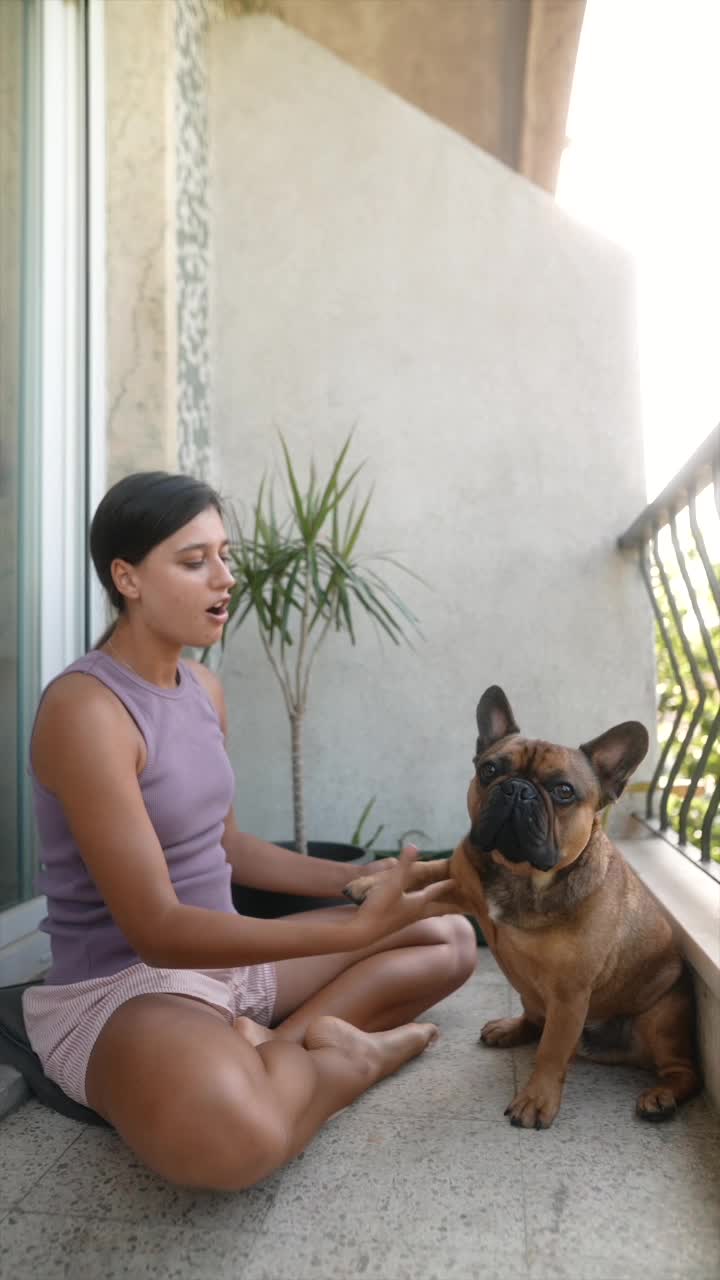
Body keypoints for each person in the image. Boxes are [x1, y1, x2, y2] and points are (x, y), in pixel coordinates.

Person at [23, 471, 476, 1191]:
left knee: (447, 938)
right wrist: (348, 932)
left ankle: (271, 1046)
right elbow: (159, 931)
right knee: (234, 1144)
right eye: (194, 560)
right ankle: (351, 1062)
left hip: (227, 967)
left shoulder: (203, 689)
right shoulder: (88, 710)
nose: (225, 578)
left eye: (225, 555)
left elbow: (229, 848)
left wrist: (364, 884)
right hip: (127, 989)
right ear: (127, 578)